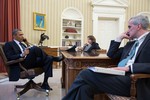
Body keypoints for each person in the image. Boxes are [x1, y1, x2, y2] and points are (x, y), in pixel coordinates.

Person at [62, 15, 150, 100]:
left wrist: (129, 68)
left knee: (85, 73)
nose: (127, 30)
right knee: (84, 88)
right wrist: (118, 38)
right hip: (119, 75)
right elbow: (111, 54)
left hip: (134, 81)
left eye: (129, 27)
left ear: (138, 26)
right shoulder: (132, 44)